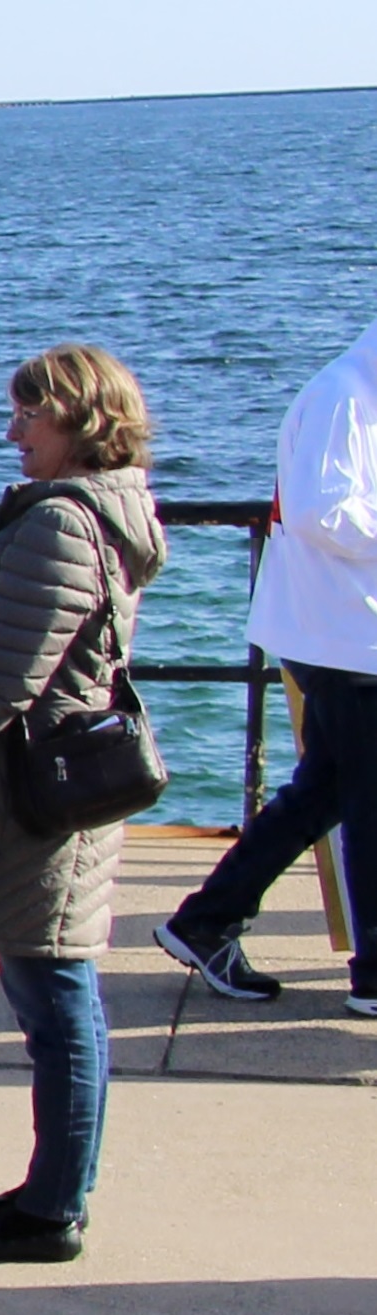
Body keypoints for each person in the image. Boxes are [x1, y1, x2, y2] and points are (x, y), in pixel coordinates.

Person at [0, 347, 169, 1264]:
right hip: (48, 794)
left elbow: (5, 675)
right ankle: (54, 1184)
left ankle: (53, 1210)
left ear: (82, 422)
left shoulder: (61, 523)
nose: (13, 430)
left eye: (30, 414)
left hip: (28, 803)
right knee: (57, 1000)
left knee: (55, 1003)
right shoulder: (102, 511)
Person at [154, 315, 377, 1007]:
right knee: (366, 802)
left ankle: (206, 919)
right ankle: (373, 976)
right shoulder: (345, 395)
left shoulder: (355, 392)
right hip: (345, 638)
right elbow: (320, 511)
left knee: (326, 791)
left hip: (343, 632)